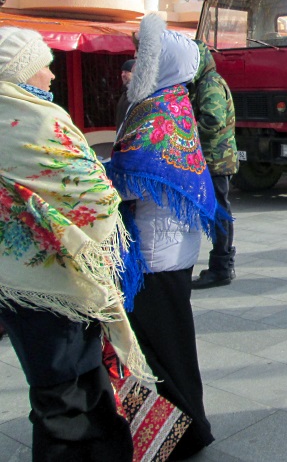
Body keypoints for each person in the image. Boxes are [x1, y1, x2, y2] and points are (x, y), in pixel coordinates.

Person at [0, 27, 151, 461]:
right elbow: (96, 197)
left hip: (15, 283)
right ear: (21, 72)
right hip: (61, 279)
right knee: (72, 394)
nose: (51, 75)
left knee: (50, 389)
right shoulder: (40, 120)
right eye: (43, 66)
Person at [108, 13, 224, 459]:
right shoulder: (168, 100)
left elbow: (138, 178)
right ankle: (181, 430)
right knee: (170, 342)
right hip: (164, 246)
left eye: (144, 59)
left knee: (159, 347)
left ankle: (180, 436)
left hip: (156, 253)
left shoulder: (159, 110)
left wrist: (100, 177)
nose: (137, 65)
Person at [190, 39, 240, 289]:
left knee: (220, 213)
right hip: (213, 159)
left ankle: (221, 268)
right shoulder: (203, 83)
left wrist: (183, 131)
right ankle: (221, 266)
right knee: (217, 211)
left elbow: (213, 120)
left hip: (216, 160)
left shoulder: (209, 84)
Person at [115, 58, 135, 129]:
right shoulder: (124, 94)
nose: (123, 75)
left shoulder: (138, 96)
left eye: (126, 72)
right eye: (122, 72)